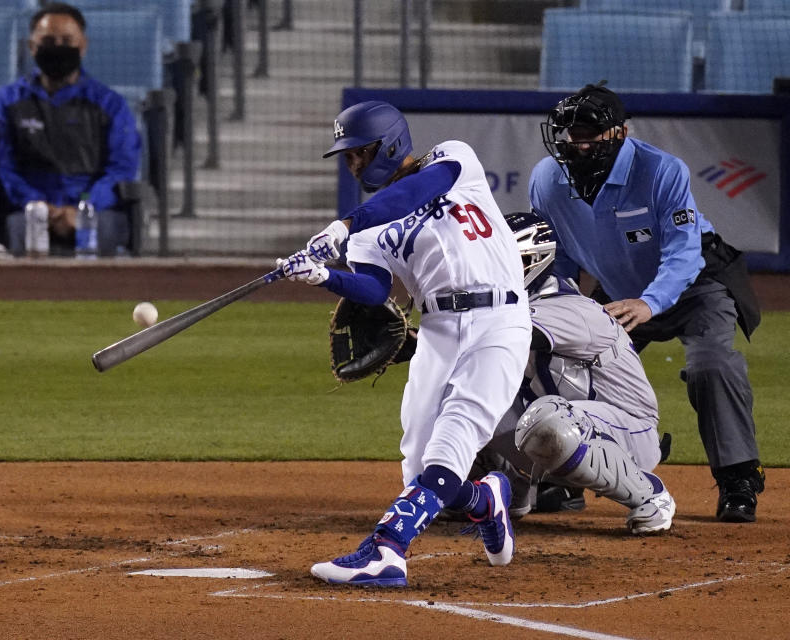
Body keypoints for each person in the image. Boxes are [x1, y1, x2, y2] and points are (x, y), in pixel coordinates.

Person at [278, 100, 532, 586]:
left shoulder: (453, 160)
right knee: (418, 461)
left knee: (455, 435)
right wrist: (321, 276)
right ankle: (485, 500)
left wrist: (344, 224)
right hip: (439, 329)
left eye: (359, 152)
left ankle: (387, 549)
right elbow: (374, 290)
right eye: (347, 157)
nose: (353, 164)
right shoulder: (367, 232)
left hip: (499, 318)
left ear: (391, 143)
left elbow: (415, 191)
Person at [529, 83, 764, 523]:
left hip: (695, 284)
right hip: (618, 292)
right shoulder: (547, 179)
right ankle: (570, 475)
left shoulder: (660, 170)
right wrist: (563, 309)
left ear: (620, 132)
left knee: (711, 363)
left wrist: (651, 302)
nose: (574, 143)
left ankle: (739, 479)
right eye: (567, 134)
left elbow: (684, 251)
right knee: (566, 364)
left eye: (586, 133)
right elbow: (556, 257)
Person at [467, 212, 675, 534]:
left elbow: (503, 335)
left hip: (628, 432)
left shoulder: (571, 310)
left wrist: (429, 336)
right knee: (461, 390)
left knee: (546, 419)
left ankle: (650, 494)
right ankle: (507, 490)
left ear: (531, 261)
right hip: (567, 426)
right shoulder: (510, 308)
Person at [0, 3, 140, 257]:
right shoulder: (6, 101)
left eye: (67, 40)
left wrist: (82, 210)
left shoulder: (111, 104)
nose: (58, 47)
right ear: (31, 46)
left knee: (104, 229)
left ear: (83, 46)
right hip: (29, 209)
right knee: (18, 228)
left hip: (94, 209)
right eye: (48, 40)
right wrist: (38, 206)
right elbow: (1, 166)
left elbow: (121, 169)